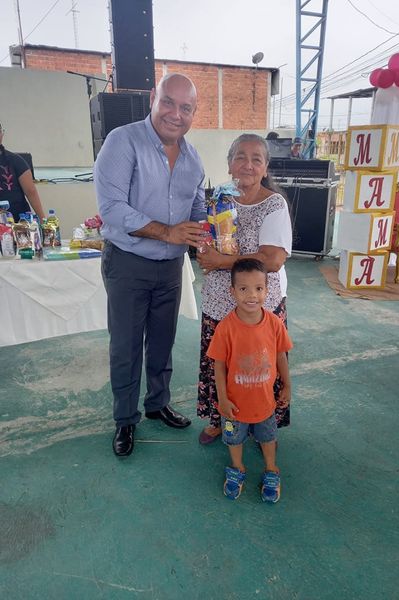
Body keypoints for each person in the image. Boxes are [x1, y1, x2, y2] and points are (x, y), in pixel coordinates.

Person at [94, 73, 206, 457]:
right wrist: (168, 232)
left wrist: (212, 230)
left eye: (186, 107)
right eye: (168, 102)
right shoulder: (122, 141)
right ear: (153, 98)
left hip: (170, 268)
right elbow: (112, 209)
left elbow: (197, 208)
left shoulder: (193, 159)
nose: (176, 114)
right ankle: (126, 419)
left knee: (162, 341)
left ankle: (158, 403)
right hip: (128, 262)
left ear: (194, 112)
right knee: (126, 346)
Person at [197, 133, 293, 444]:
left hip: (258, 306)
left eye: (256, 159)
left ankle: (262, 423)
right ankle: (220, 420)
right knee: (222, 366)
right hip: (219, 304)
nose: (247, 165)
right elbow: (206, 244)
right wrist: (204, 251)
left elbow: (272, 259)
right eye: (240, 157)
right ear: (229, 164)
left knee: (259, 367)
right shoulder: (218, 201)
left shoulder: (273, 204)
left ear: (265, 168)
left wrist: (220, 261)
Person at [207, 258, 293, 502]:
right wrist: (223, 399)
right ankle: (237, 467)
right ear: (232, 291)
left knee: (268, 437)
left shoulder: (274, 324)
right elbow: (219, 365)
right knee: (233, 438)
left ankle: (271, 469)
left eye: (258, 288)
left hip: (265, 403)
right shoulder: (225, 328)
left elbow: (281, 355)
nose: (252, 295)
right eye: (243, 288)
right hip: (233, 407)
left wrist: (287, 385)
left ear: (267, 290)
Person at [0, 122, 45, 222]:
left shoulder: (16, 160)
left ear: (2, 134)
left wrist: (43, 220)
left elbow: (31, 191)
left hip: (18, 222)